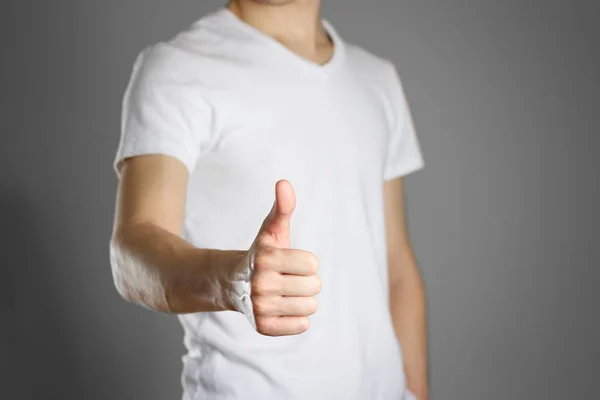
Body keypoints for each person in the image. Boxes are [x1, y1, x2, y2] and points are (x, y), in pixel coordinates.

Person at [109, 1, 428, 399]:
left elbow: (397, 265)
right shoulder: (178, 67)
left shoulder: (377, 78)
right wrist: (231, 279)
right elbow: (135, 246)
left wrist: (415, 391)